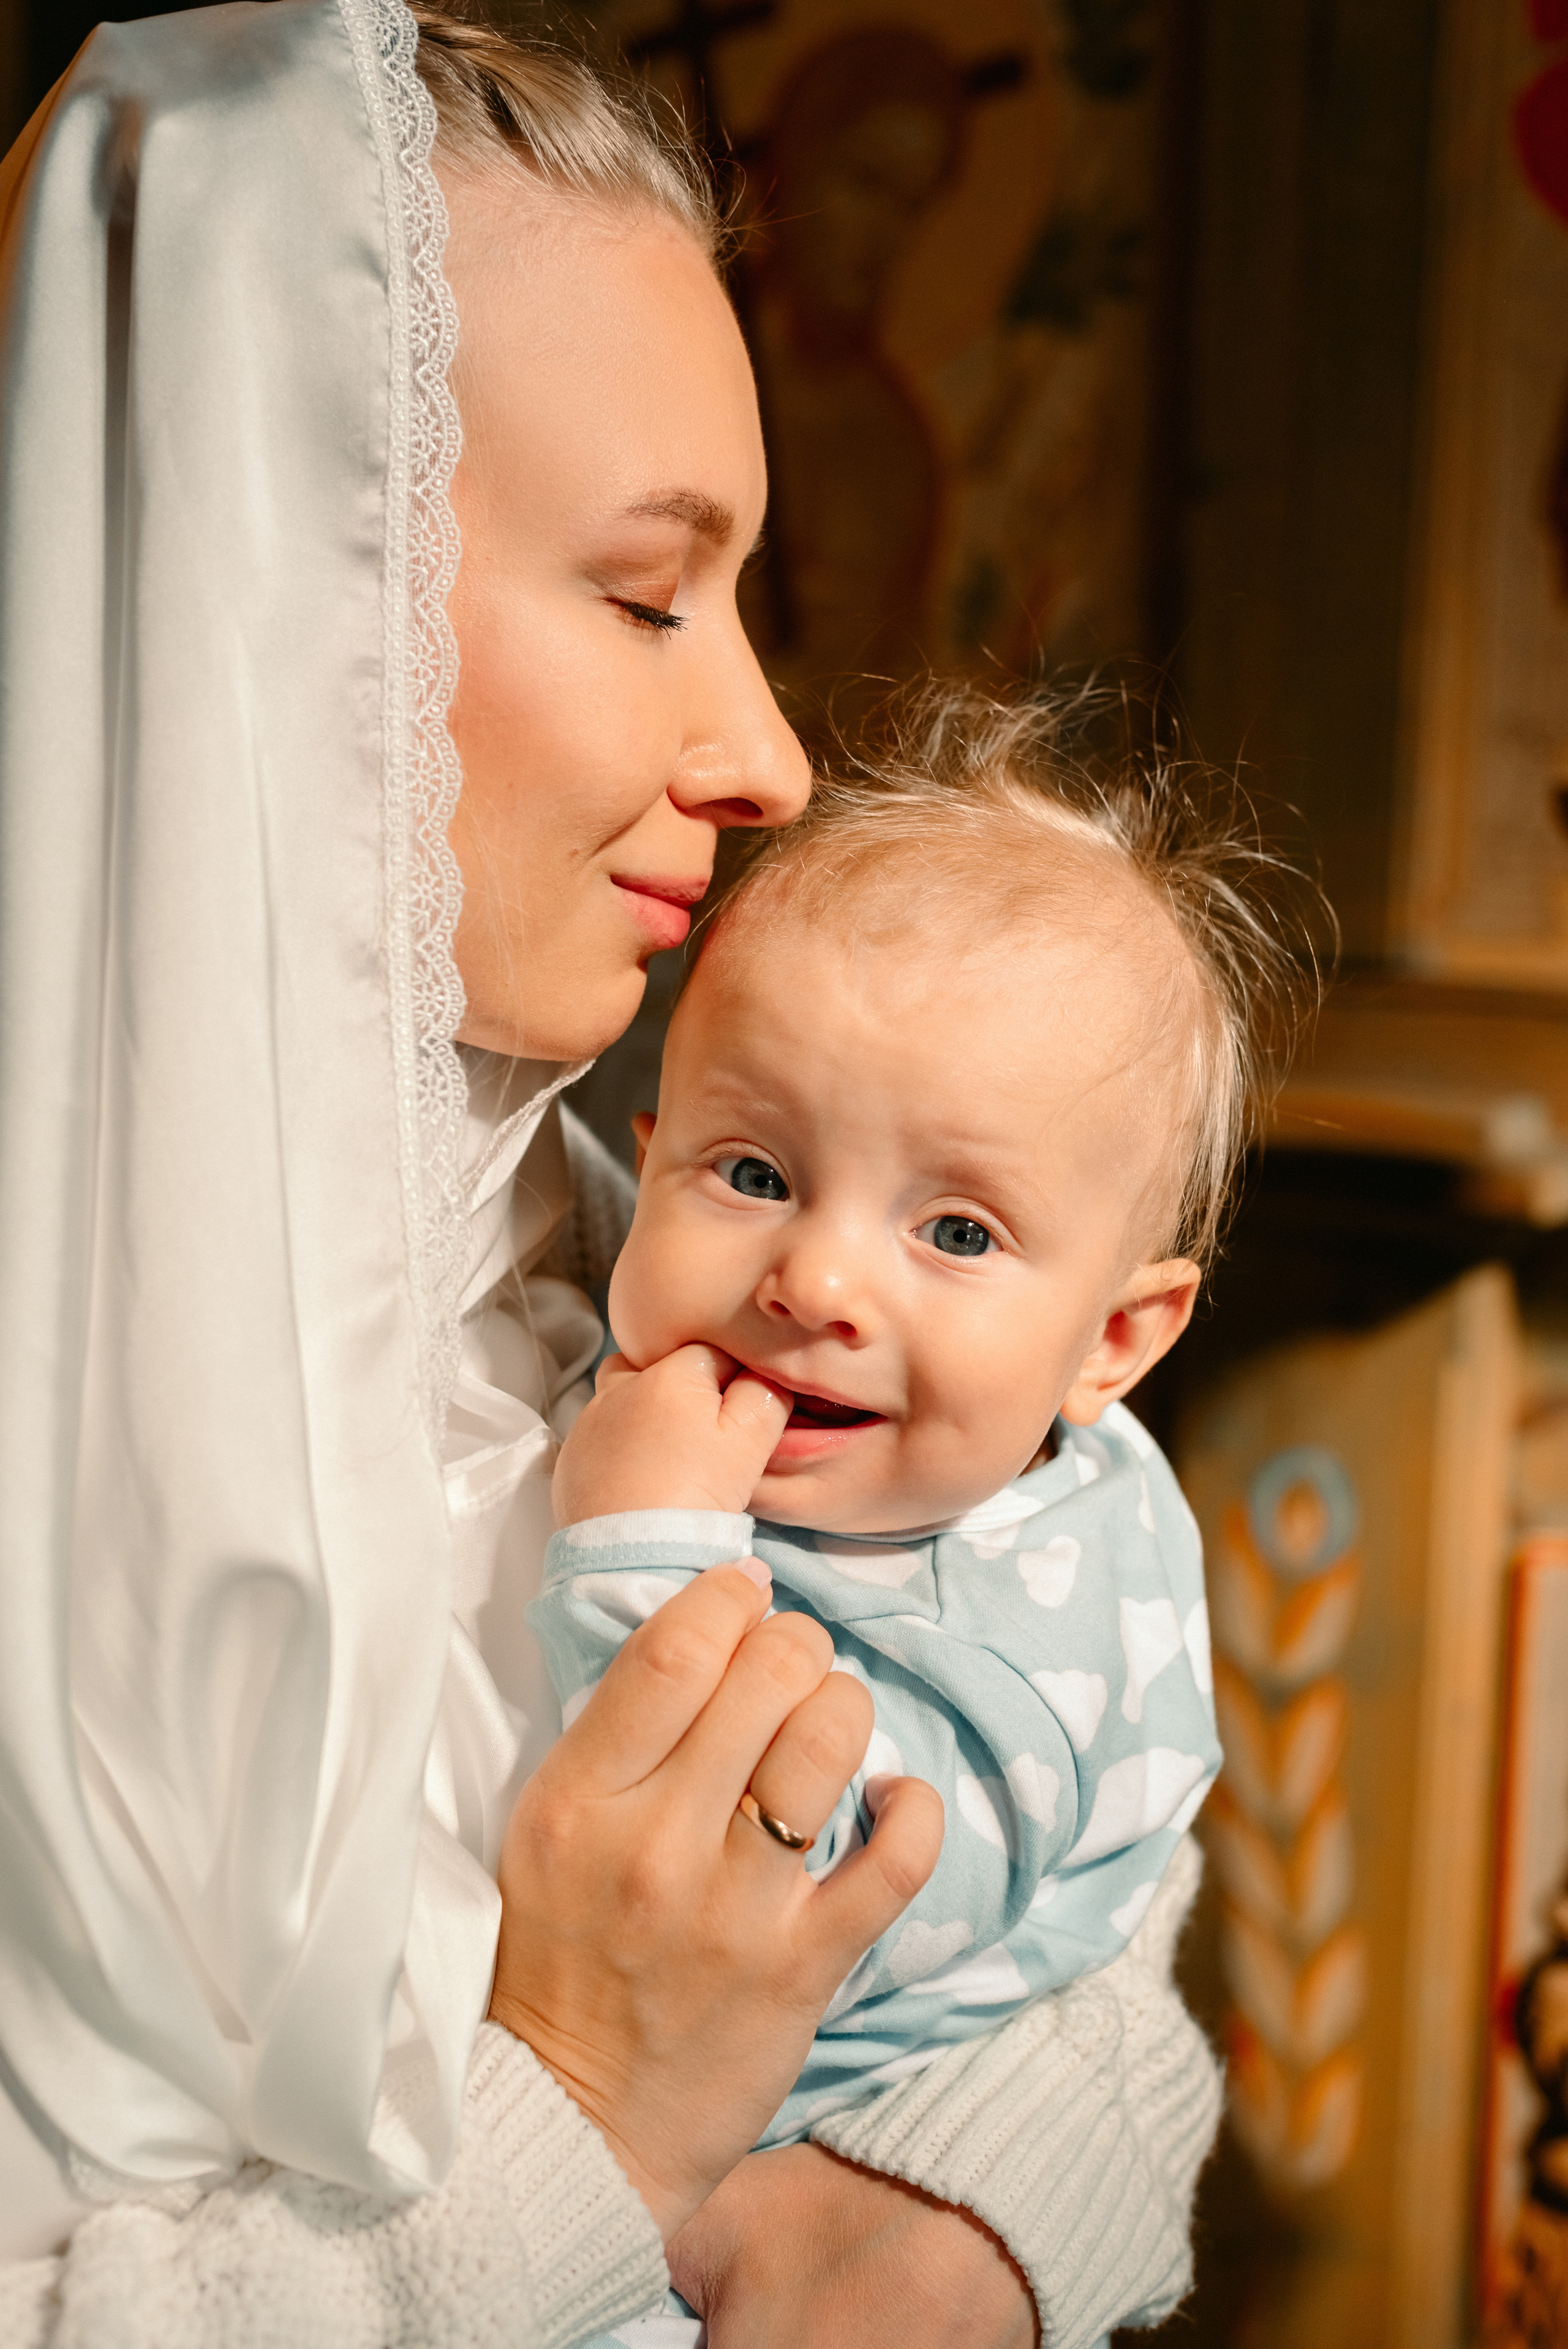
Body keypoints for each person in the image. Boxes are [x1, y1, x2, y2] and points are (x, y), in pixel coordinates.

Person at [0, 6, 1223, 2345]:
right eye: (653, 594)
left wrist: (959, 2212)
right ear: (271, 596)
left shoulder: (616, 1225)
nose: (769, 753)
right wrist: (585, 2108)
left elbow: (1076, 1807)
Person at [529, 683, 1306, 2346]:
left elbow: (803, 1905)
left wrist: (643, 1563)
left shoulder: (1018, 1637)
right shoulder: (867, 1419)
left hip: (749, 2230)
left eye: (956, 1232)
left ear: (1112, 1342)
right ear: (647, 1162)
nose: (813, 1280)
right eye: (752, 1174)